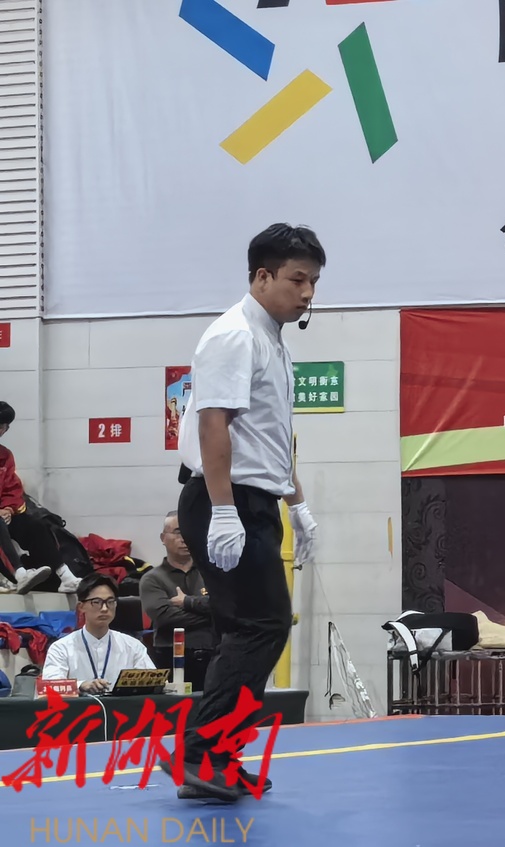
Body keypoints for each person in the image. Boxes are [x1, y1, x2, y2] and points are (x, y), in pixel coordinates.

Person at [171, 223, 324, 803]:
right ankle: (203, 755)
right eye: (297, 280)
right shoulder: (234, 335)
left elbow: (269, 441)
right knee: (261, 625)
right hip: (223, 498)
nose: (307, 293)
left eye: (314, 282)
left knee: (250, 628)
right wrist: (223, 511)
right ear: (262, 276)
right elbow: (214, 427)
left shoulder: (272, 340)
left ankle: (213, 758)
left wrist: (297, 504)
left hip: (253, 498)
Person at [39, 575, 155, 693]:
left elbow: (153, 682)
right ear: (81, 607)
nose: (104, 608)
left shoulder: (133, 646)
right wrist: (80, 686)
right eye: (97, 602)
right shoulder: (61, 648)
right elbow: (49, 688)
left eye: (110, 602)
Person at [140, 511, 216, 688]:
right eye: (178, 532)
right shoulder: (152, 578)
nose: (185, 538)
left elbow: (229, 605)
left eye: (190, 531)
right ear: (163, 538)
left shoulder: (212, 573)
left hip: (213, 656)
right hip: (171, 658)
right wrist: (213, 613)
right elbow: (166, 617)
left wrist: (188, 602)